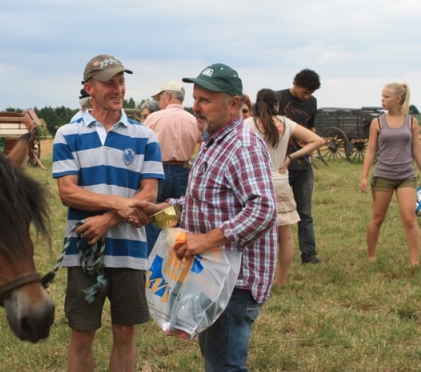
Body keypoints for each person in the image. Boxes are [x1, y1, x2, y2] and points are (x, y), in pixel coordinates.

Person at [133, 63, 277, 371]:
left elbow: (263, 209)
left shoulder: (243, 145)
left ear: (234, 104)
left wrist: (205, 240)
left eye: (205, 100)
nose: (195, 107)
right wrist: (164, 209)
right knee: (216, 358)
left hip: (235, 281)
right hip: (212, 277)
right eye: (195, 98)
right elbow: (201, 200)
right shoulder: (214, 139)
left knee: (224, 364)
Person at [52, 54, 164, 372]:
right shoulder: (67, 134)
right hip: (84, 251)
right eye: (109, 83)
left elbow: (149, 195)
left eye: (121, 82)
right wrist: (117, 204)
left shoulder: (144, 137)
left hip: (131, 251)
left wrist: (107, 219)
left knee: (125, 332)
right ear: (89, 87)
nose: (118, 89)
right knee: (82, 333)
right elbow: (68, 192)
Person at [245, 88, 324, 286]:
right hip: (280, 181)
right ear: (277, 105)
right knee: (285, 236)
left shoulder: (247, 125)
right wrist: (291, 157)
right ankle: (279, 281)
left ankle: (254, 277)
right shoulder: (285, 123)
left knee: (252, 235)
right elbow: (318, 140)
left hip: (255, 182)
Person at [360, 82, 421, 265]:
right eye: (382, 96)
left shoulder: (412, 122)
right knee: (378, 218)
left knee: (410, 218)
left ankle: (414, 261)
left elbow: (416, 150)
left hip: (406, 177)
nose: (382, 99)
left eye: (386, 97)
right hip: (383, 176)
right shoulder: (377, 122)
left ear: (397, 99)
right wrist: (364, 175)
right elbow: (370, 150)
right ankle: (371, 255)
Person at [143, 80, 201, 254]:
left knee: (155, 216)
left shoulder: (153, 118)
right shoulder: (194, 120)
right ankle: (176, 255)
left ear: (167, 96)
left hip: (158, 171)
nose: (160, 102)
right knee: (180, 216)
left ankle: (153, 259)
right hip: (184, 172)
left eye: (160, 98)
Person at [276, 69, 322, 264]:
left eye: (310, 93)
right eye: (304, 92)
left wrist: (309, 155)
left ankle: (309, 255)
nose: (307, 97)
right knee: (276, 214)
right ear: (294, 83)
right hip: (279, 167)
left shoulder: (312, 102)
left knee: (305, 213)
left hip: (303, 166)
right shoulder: (278, 98)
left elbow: (310, 129)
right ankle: (272, 253)